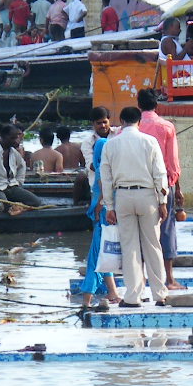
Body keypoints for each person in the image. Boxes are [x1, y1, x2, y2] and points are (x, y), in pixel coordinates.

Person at [99, 105, 170, 308]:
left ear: (121, 122)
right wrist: (162, 201)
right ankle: (160, 294)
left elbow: (106, 177)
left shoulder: (111, 145)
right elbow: (160, 173)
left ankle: (132, 297)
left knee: (129, 248)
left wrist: (109, 207)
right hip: (147, 196)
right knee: (153, 246)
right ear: (139, 121)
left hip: (122, 196)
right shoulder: (150, 141)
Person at [135, 89, 184, 290]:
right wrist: (177, 188)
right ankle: (169, 279)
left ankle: (143, 279)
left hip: (136, 186)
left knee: (140, 232)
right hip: (163, 186)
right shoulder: (166, 127)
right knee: (166, 229)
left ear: (139, 105)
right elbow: (172, 163)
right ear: (157, 105)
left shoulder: (130, 129)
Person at [77, 109, 122, 312]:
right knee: (97, 255)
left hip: (101, 209)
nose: (102, 126)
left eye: (105, 122)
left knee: (103, 252)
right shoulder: (103, 172)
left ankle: (112, 292)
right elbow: (102, 183)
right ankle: (87, 298)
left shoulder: (112, 139)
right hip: (103, 211)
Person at [0, 123, 44, 207]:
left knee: (36, 202)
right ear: (3, 137)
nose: (15, 141)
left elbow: (22, 166)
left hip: (11, 186)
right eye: (12, 138)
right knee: (3, 205)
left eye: (16, 138)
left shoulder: (14, 152)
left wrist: (19, 182)